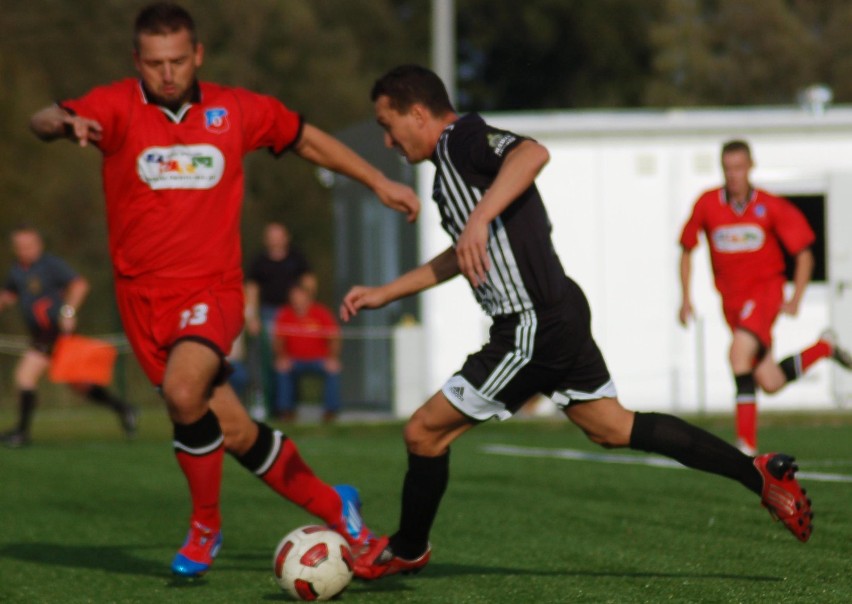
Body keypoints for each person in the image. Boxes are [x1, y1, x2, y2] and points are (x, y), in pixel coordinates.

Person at [340, 65, 814, 581]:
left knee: (423, 432)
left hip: (531, 325)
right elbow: (463, 255)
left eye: (388, 125)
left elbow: (532, 153)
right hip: (557, 313)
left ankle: (408, 547)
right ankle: (758, 473)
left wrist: (478, 219)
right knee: (614, 427)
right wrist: (386, 292)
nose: (387, 139)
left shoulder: (461, 140)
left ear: (417, 113)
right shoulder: (446, 174)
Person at [28, 3, 419, 578]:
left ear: (198, 56)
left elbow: (306, 138)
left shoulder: (235, 110)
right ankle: (340, 508)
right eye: (155, 62)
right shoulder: (112, 107)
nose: (167, 73)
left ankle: (205, 527)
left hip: (212, 289)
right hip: (141, 301)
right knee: (232, 430)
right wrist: (62, 123)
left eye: (178, 61)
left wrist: (378, 180)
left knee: (184, 394)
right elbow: (40, 118)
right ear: (137, 60)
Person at [679, 140, 852, 455]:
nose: (733, 176)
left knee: (737, 355)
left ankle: (745, 445)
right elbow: (687, 249)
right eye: (728, 169)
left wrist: (796, 296)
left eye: (739, 168)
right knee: (769, 381)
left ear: (750, 168)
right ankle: (824, 348)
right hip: (732, 304)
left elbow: (804, 254)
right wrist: (685, 298)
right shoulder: (707, 205)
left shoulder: (770, 206)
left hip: (765, 292)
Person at [0, 226, 138, 448]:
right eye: (20, 247)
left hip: (53, 332)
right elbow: (8, 295)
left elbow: (79, 285)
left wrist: (68, 311)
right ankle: (124, 409)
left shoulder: (50, 265)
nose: (25, 250)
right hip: (40, 334)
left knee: (25, 377)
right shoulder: (17, 271)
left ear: (39, 245)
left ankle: (21, 433)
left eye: (29, 246)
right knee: (79, 384)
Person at [272, 273, 342, 423]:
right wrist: (282, 358)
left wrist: (332, 358)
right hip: (293, 361)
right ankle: (286, 411)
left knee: (333, 369)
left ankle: (331, 411)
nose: (297, 299)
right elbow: (278, 341)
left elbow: (334, 338)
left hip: (319, 360)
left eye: (300, 295)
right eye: (293, 296)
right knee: (282, 369)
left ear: (307, 296)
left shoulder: (321, 313)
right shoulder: (284, 314)